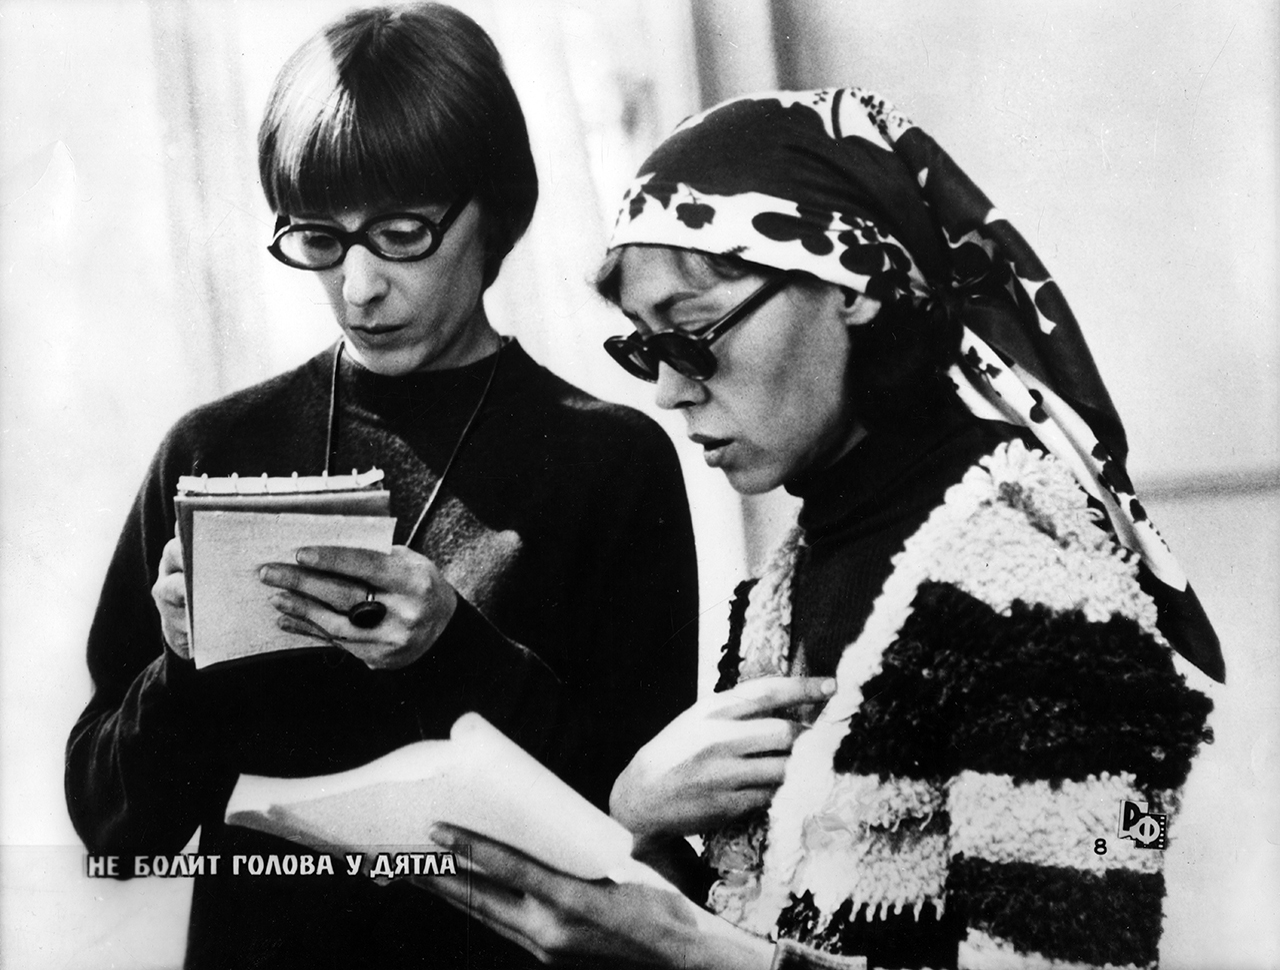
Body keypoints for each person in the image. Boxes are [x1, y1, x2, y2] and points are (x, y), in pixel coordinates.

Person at [417, 87, 1222, 970]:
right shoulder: (790, 579)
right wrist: (637, 818)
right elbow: (774, 915)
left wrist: (684, 945)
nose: (670, 391)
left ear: (852, 288)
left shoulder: (1036, 577)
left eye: (693, 333)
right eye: (646, 348)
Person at [64, 5, 698, 968]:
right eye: (319, 239)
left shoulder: (609, 461)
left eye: (401, 233)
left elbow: (646, 833)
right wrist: (182, 669)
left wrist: (453, 649)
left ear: (498, 209)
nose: (357, 287)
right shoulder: (212, 450)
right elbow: (112, 830)